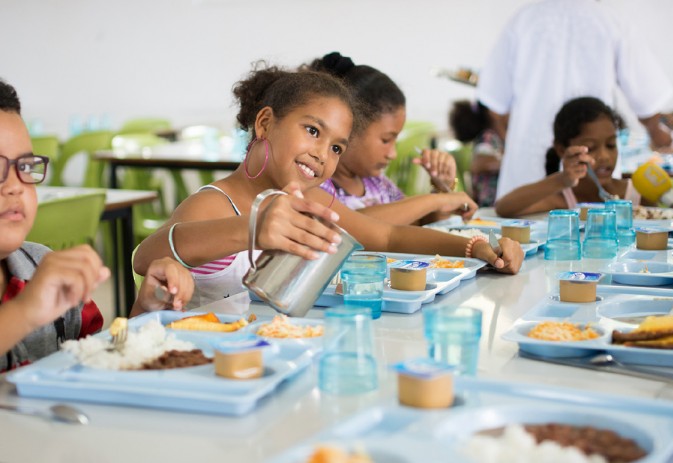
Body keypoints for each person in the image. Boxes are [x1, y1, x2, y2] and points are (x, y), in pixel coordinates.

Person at [133, 64, 524, 309]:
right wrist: (252, 228)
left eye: (336, 146)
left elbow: (385, 237)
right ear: (265, 123)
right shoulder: (216, 205)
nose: (322, 154)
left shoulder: (311, 200)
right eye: (312, 131)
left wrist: (476, 247)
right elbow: (145, 257)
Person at [0, 79, 194, 372]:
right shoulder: (42, 288)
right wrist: (25, 312)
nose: (15, 186)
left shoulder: (43, 268)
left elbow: (95, 364)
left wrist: (145, 310)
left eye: (25, 167)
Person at [477, 0, 673, 200]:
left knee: (519, 227)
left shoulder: (523, 20)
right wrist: (659, 134)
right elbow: (647, 99)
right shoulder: (611, 21)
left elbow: (495, 105)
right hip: (594, 166)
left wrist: (510, 142)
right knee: (597, 225)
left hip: (526, 169)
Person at [306, 52, 478, 225]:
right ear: (348, 130)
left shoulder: (378, 184)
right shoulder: (316, 183)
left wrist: (442, 190)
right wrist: (435, 201)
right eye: (386, 140)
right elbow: (355, 226)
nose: (392, 154)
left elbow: (415, 225)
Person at [495, 97, 644, 217]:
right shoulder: (565, 199)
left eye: (611, 145)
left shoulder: (634, 193)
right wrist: (561, 180)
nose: (604, 156)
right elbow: (504, 208)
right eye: (590, 148)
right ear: (561, 149)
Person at [449, 100, 504, 207]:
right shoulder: (488, 137)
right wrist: (510, 162)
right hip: (490, 204)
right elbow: (479, 164)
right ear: (492, 114)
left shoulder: (492, 137)